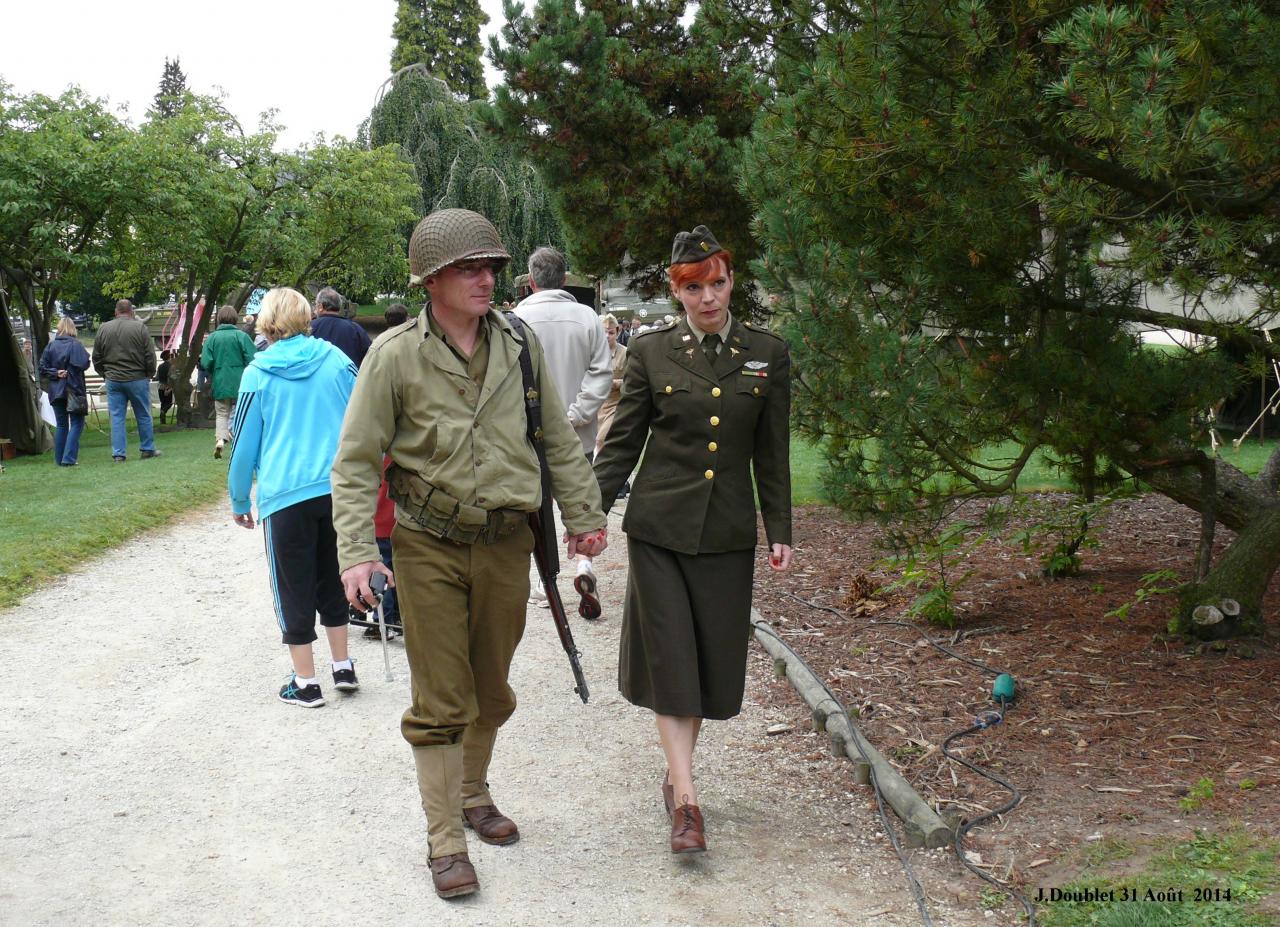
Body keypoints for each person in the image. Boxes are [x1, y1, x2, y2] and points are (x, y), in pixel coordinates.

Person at [330, 208, 608, 900]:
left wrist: (584, 515)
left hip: (507, 542)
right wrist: (357, 552)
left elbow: (557, 438)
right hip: (427, 544)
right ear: (432, 280)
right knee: (441, 696)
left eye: (491, 266)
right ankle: (445, 838)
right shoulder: (393, 355)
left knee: (492, 687)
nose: (487, 278)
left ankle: (474, 790)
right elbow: (357, 462)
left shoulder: (518, 343)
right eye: (470, 268)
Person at [593, 224, 793, 854]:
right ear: (677, 293)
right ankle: (686, 798)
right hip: (659, 531)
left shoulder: (767, 352)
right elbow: (623, 441)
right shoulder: (651, 353)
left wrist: (778, 528)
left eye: (718, 283)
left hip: (727, 533)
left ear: (732, 281)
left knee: (706, 663)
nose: (709, 297)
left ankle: (676, 777)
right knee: (674, 660)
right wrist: (587, 513)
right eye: (694, 287)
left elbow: (773, 451)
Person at [227, 287, 360, 708]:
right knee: (334, 575)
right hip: (336, 488)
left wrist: (237, 499)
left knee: (291, 586)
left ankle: (305, 681)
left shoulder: (258, 372)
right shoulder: (337, 361)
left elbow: (243, 444)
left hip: (285, 494)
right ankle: (343, 665)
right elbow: (363, 414)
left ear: (266, 322)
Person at [514, 246, 612, 620]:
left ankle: (543, 578)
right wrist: (576, 414)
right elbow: (601, 372)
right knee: (578, 496)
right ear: (566, 278)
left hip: (530, 434)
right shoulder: (587, 317)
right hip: (578, 432)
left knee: (538, 506)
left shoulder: (516, 318)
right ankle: (584, 564)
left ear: (532, 280)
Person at [92, 299, 160, 462]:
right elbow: (149, 355)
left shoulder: (103, 328)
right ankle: (147, 448)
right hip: (137, 378)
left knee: (116, 417)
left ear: (116, 312)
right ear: (132, 312)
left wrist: (105, 374)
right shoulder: (140, 328)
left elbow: (96, 357)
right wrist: (149, 373)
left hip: (113, 379)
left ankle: (119, 453)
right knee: (143, 414)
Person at [200, 305, 259, 459]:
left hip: (220, 380)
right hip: (241, 381)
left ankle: (220, 439)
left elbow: (206, 362)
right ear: (235, 318)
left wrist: (215, 369)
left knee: (221, 413)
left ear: (219, 319)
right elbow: (253, 358)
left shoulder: (212, 338)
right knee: (241, 412)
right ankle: (239, 441)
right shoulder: (242, 336)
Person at [39, 317, 91, 467]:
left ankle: (59, 459)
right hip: (74, 389)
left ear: (59, 328)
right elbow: (84, 364)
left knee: (61, 425)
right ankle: (68, 458)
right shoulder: (76, 345)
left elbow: (42, 368)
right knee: (77, 423)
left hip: (56, 390)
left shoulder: (50, 346)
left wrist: (55, 373)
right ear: (73, 328)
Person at [310, 287, 372, 367]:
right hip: (350, 377)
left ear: (321, 307)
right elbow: (370, 356)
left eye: (316, 305)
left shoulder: (308, 328)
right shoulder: (356, 329)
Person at [155, 350, 174, 425]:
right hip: (167, 387)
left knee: (163, 403)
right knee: (169, 403)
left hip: (160, 387)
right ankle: (163, 412)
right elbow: (171, 378)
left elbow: (157, 377)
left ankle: (162, 421)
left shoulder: (160, 366)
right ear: (169, 356)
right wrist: (169, 388)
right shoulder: (171, 366)